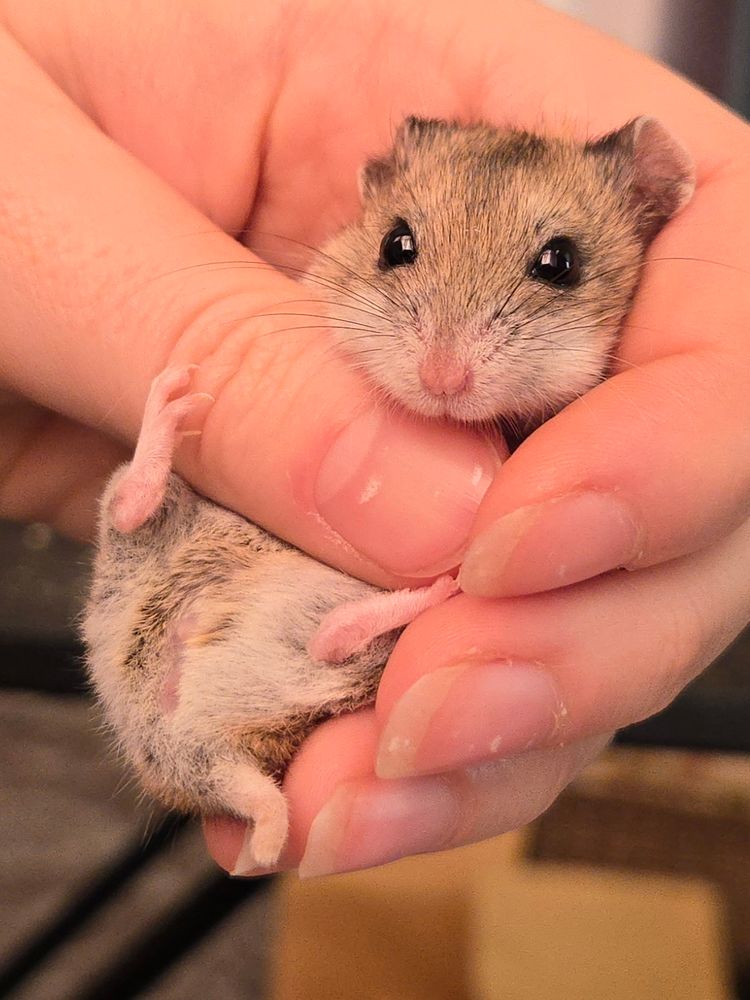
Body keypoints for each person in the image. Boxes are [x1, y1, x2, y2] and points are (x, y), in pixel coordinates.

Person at [2, 0, 749, 878]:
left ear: (647, 214)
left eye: (552, 268)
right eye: (403, 249)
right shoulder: (303, 288)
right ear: (371, 207)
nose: (445, 364)